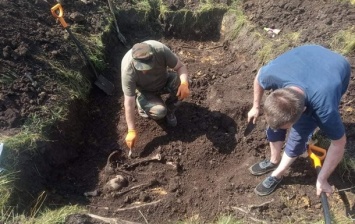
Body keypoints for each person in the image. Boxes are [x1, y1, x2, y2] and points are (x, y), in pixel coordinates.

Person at [247, 44, 351, 196]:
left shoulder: (324, 108)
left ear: (303, 110)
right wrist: (255, 106)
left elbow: (339, 143)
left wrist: (322, 178)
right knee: (276, 124)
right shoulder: (272, 74)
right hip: (310, 52)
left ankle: (278, 173)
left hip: (337, 66)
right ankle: (274, 160)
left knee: (299, 135)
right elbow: (258, 77)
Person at [121, 40, 190, 149]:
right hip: (145, 91)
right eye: (141, 67)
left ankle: (170, 111)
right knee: (160, 112)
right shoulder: (127, 70)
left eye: (147, 67)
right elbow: (129, 102)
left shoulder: (161, 51)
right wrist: (131, 130)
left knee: (181, 81)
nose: (144, 71)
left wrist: (184, 84)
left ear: (153, 57)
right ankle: (142, 103)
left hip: (163, 81)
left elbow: (180, 67)